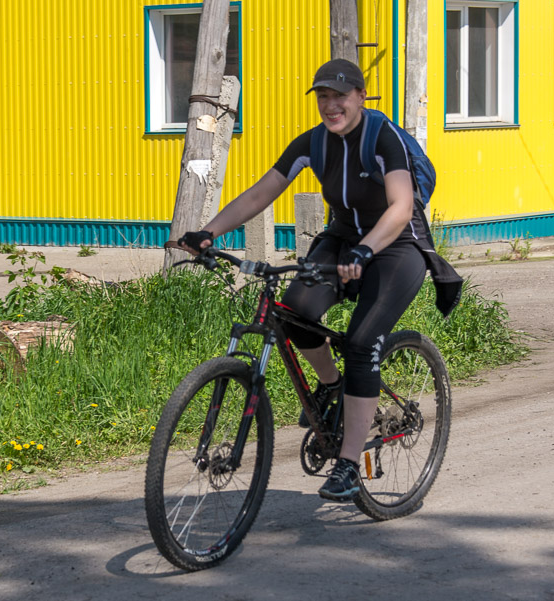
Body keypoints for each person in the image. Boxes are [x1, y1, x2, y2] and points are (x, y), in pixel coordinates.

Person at [176, 59, 461, 502]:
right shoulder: (313, 143)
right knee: (294, 315)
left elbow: (402, 205)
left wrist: (368, 251)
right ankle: (331, 385)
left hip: (397, 244)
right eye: (323, 97)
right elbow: (259, 193)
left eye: (340, 96)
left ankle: (348, 466)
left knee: (363, 343)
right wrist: (208, 231)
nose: (331, 106)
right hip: (344, 237)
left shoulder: (382, 138)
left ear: (361, 97)